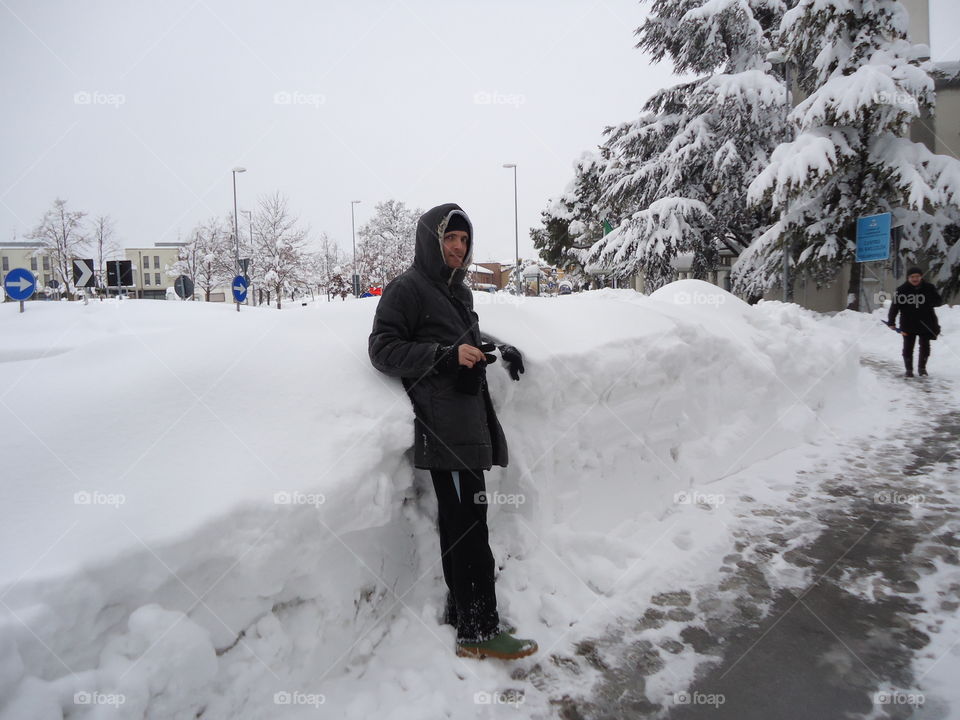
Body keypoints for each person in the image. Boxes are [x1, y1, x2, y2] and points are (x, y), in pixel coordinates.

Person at [368, 203, 536, 660]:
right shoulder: (408, 289)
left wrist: (498, 347)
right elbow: (383, 348)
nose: (459, 248)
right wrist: (444, 356)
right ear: (431, 240)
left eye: (464, 240)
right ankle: (479, 631)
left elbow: (459, 340)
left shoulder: (458, 293)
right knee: (467, 531)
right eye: (450, 239)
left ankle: (463, 615)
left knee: (468, 525)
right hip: (444, 428)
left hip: (466, 420)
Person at [886, 266, 942, 377]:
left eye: (917, 276)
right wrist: (891, 321)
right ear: (908, 278)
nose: (915, 279)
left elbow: (938, 301)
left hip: (926, 322)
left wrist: (928, 301)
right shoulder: (902, 290)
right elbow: (894, 307)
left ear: (921, 277)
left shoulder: (929, 288)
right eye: (912, 277)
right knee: (908, 347)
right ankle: (909, 370)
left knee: (925, 346)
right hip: (908, 323)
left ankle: (922, 369)